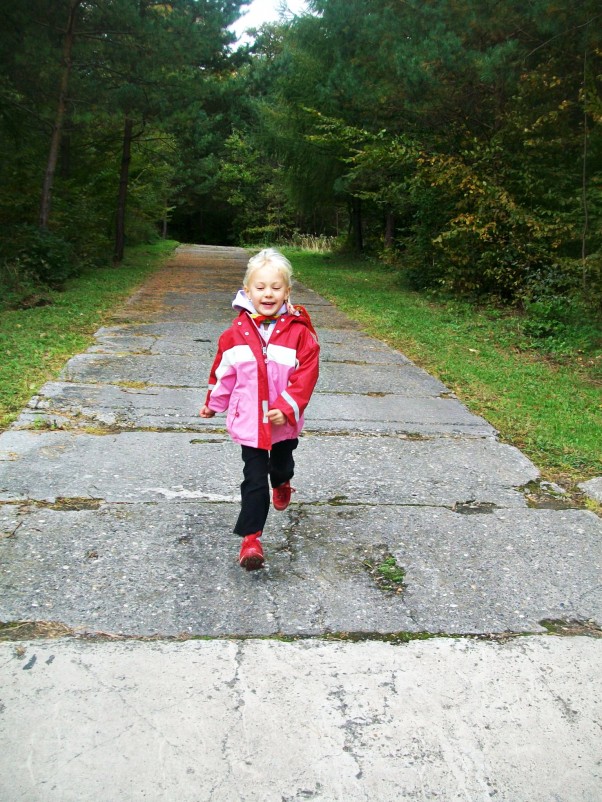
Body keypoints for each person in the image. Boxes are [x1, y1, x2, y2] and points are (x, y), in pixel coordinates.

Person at [200, 248, 320, 571]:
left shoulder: (298, 333)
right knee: (253, 479)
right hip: (251, 424)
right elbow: (223, 371)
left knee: (279, 467)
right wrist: (214, 403)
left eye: (276, 287)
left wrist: (287, 407)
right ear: (247, 290)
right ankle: (251, 539)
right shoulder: (235, 334)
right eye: (261, 287)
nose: (268, 294)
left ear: (287, 292)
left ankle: (283, 482)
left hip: (282, 424)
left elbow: (306, 374)